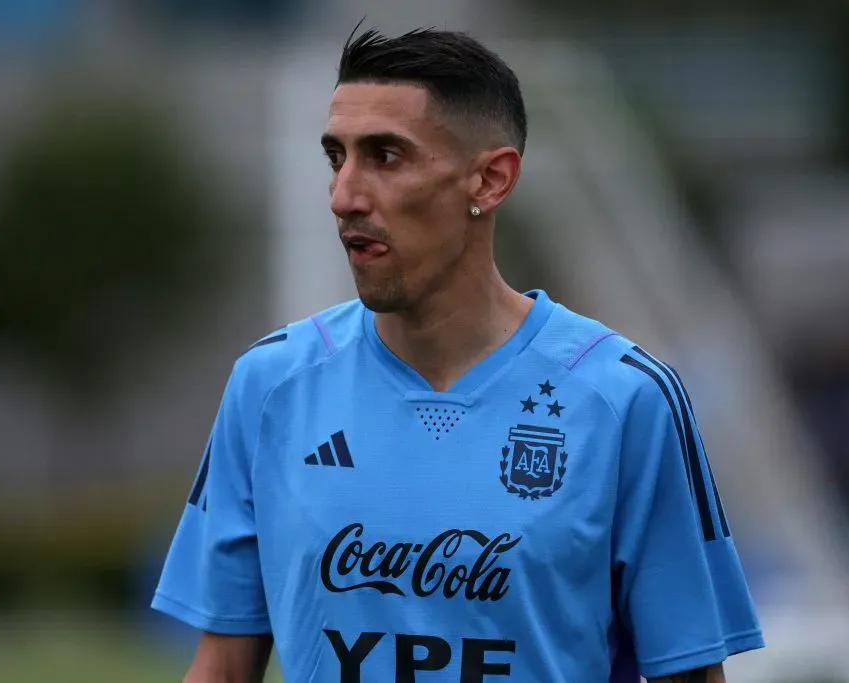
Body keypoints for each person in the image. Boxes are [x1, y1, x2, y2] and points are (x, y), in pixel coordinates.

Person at [152, 26, 764, 683]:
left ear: (491, 180)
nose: (344, 195)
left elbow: (691, 674)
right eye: (337, 157)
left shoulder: (625, 398)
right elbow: (220, 668)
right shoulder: (270, 385)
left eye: (386, 156)